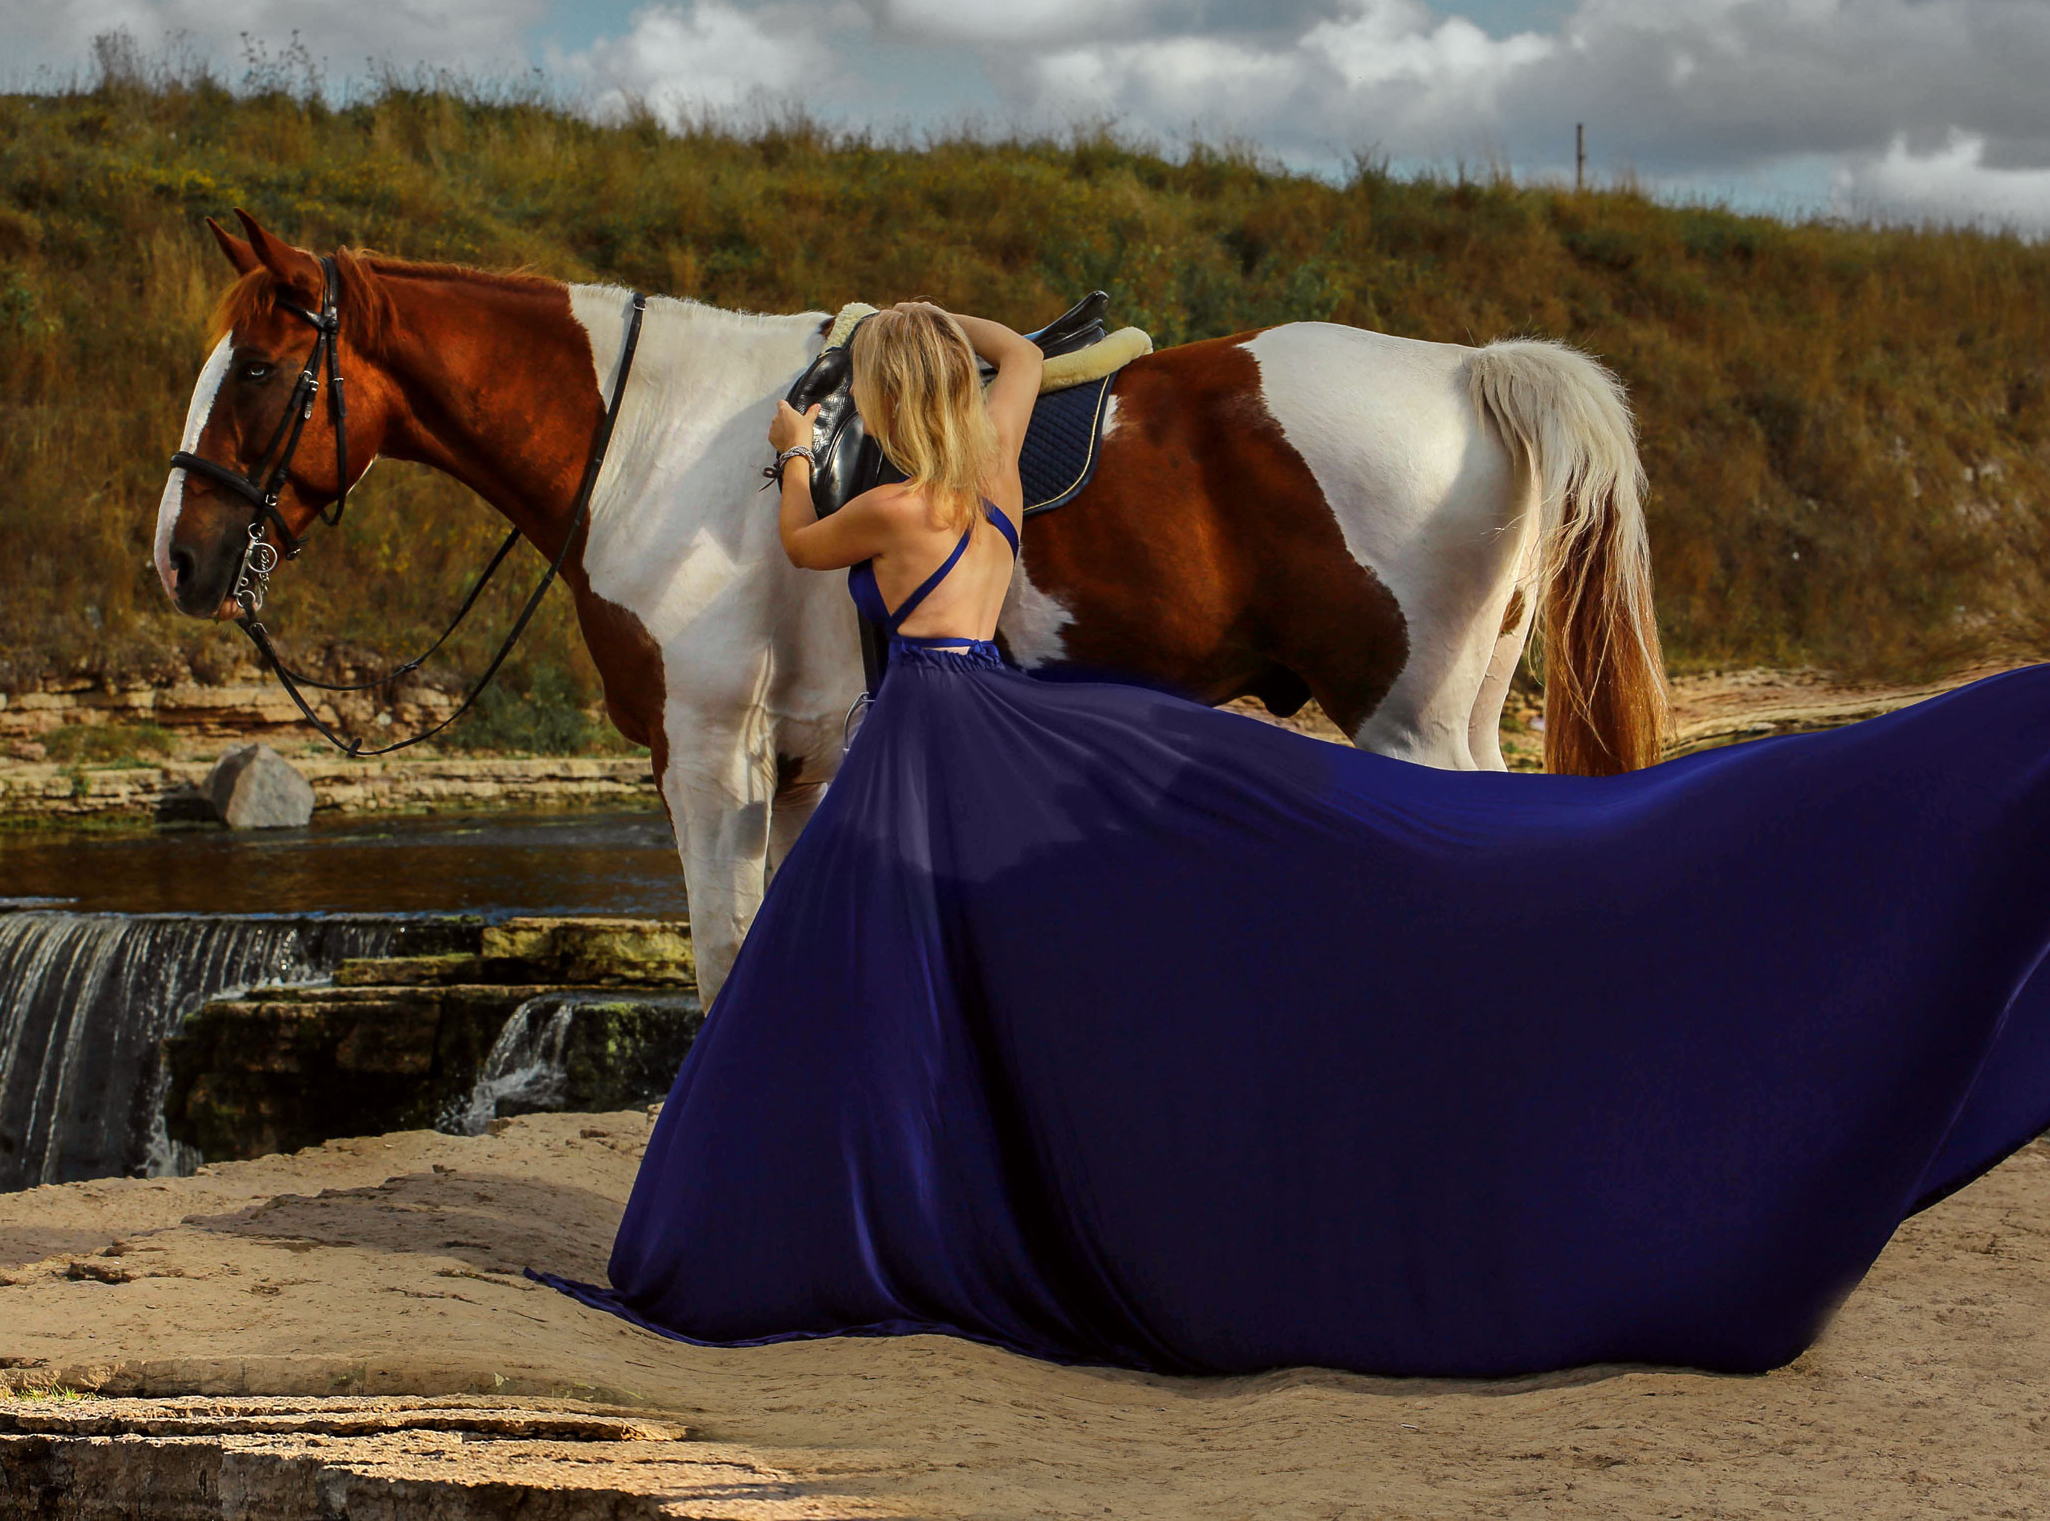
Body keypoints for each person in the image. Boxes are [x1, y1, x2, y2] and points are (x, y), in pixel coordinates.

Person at [535, 302, 2050, 1378]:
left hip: (925, 744)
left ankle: (845, 1223)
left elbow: (798, 541)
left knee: (861, 982)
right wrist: (978, 334)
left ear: (884, 402)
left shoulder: (880, 511)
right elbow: (1004, 376)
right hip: (1013, 722)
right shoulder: (991, 484)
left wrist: (805, 439)